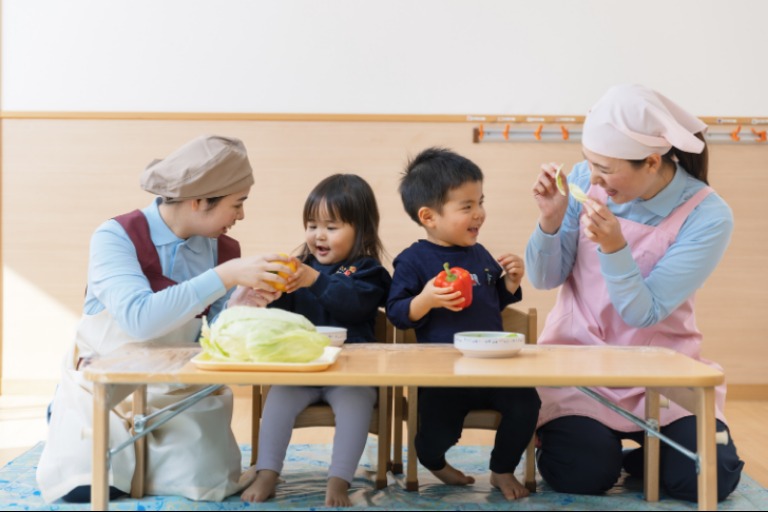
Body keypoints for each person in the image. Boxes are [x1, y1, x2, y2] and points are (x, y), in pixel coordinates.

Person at [36, 135, 294, 503]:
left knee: (206, 483)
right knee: (88, 487)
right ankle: (64, 413)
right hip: (107, 384)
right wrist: (224, 277)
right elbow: (139, 320)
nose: (241, 216)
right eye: (237, 204)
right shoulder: (115, 237)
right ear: (199, 201)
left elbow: (212, 340)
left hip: (178, 391)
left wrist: (240, 306)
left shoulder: (224, 251)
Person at [525, 84, 744, 501]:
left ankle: (644, 457)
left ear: (652, 161)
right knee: (583, 472)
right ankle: (615, 452)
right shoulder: (582, 180)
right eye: (589, 163)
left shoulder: (708, 215)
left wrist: (614, 247)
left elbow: (644, 312)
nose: (592, 178)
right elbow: (544, 278)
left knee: (710, 479)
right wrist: (550, 221)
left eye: (604, 168)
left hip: (662, 373)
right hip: (579, 366)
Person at [386, 147, 541, 500]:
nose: (479, 213)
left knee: (527, 404)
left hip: (493, 367)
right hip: (444, 373)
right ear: (429, 216)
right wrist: (426, 299)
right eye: (467, 206)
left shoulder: (480, 254)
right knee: (435, 434)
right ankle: (433, 461)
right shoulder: (412, 261)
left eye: (480, 202)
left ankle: (502, 469)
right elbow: (396, 312)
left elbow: (491, 303)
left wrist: (510, 283)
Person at [236, 174, 392, 507]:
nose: (319, 235)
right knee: (277, 402)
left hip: (352, 374)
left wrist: (315, 280)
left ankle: (339, 479)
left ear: (361, 231)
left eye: (331, 227)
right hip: (301, 370)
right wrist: (269, 295)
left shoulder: (367, 271)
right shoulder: (301, 269)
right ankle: (267, 472)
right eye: (312, 225)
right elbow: (281, 319)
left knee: (355, 408)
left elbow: (353, 305)